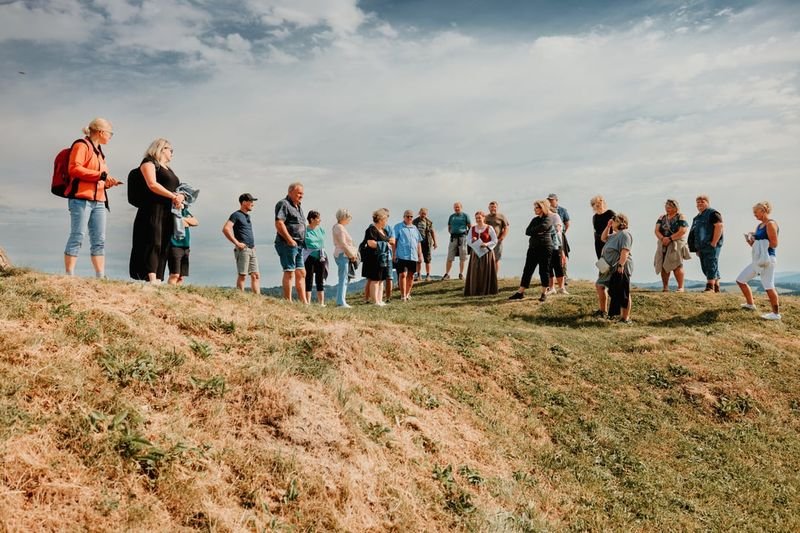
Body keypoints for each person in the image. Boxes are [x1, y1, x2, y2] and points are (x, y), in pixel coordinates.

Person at [63, 117, 122, 278]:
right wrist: (101, 175)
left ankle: (100, 276)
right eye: (110, 133)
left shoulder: (100, 152)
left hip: (100, 201)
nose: (110, 136)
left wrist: (107, 183)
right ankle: (69, 275)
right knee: (78, 235)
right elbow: (74, 169)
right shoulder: (81, 145)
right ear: (101, 132)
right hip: (81, 199)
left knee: (99, 239)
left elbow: (98, 177)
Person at [129, 138, 185, 283]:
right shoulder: (149, 163)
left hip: (168, 211)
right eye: (170, 150)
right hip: (152, 209)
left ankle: (158, 278)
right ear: (162, 148)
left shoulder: (169, 169)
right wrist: (173, 196)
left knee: (164, 244)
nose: (172, 153)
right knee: (153, 241)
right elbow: (152, 184)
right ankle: (151, 277)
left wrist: (180, 197)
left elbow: (175, 188)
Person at [736, 202, 781, 320]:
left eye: (756, 212)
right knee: (741, 280)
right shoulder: (759, 226)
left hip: (768, 259)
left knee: (768, 285)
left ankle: (776, 314)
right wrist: (750, 241)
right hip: (759, 259)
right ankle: (750, 304)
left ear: (763, 211)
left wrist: (758, 242)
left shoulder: (771, 224)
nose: (754, 214)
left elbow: (774, 244)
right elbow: (756, 247)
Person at [508, 200, 553, 302]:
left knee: (544, 270)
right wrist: (538, 232)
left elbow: (544, 227)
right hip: (533, 247)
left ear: (542, 208)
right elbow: (527, 231)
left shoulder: (548, 218)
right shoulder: (535, 219)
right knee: (528, 270)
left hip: (545, 248)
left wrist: (535, 231)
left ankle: (544, 293)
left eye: (536, 207)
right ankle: (520, 293)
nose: (534, 209)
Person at [595, 213, 634, 322]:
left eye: (615, 221)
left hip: (619, 266)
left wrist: (621, 265)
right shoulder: (613, 235)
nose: (613, 222)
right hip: (607, 267)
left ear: (622, 223)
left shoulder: (625, 234)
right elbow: (603, 238)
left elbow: (625, 251)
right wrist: (608, 226)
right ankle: (603, 311)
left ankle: (625, 318)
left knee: (623, 291)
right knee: (600, 285)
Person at [275, 182, 308, 303]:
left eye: (302, 193)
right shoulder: (284, 204)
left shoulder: (298, 206)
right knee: (289, 272)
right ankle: (288, 301)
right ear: (290, 192)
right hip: (287, 243)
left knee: (301, 272)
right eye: (298, 193)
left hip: (299, 244)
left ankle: (304, 302)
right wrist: (289, 239)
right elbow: (279, 223)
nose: (301, 196)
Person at [222, 193, 260, 293]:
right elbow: (226, 229)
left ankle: (257, 299)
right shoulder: (236, 215)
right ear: (244, 202)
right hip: (243, 249)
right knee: (242, 275)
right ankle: (240, 297)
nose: (252, 204)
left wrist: (253, 246)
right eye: (250, 201)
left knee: (255, 275)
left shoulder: (247, 216)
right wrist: (237, 243)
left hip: (251, 249)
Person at [653, 199, 690, 292]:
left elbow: (683, 230)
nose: (667, 208)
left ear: (675, 208)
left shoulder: (681, 216)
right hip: (663, 243)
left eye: (669, 206)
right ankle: (665, 287)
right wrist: (663, 239)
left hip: (676, 243)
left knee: (677, 265)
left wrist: (670, 238)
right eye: (666, 206)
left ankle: (680, 287)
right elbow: (656, 230)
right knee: (663, 265)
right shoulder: (662, 217)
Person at [689, 195, 724, 292]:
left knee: (711, 263)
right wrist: (696, 248)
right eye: (698, 202)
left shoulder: (713, 213)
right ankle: (716, 286)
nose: (699, 204)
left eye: (702, 201)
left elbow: (719, 226)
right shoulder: (697, 218)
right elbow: (694, 233)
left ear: (707, 203)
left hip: (711, 244)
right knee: (706, 265)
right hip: (701, 246)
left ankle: (710, 287)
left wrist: (714, 242)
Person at [360, 208, 392, 306]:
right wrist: (385, 245)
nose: (386, 221)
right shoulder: (371, 229)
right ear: (380, 219)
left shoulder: (384, 231)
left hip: (383, 259)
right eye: (385, 219)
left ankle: (380, 300)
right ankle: (375, 301)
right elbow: (370, 243)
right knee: (375, 280)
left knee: (381, 280)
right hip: (373, 259)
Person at [464, 211, 498, 296]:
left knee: (486, 271)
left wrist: (486, 244)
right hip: (475, 253)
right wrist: (472, 240)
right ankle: (475, 290)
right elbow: (468, 240)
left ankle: (487, 290)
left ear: (484, 218)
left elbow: (495, 240)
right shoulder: (472, 229)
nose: (478, 219)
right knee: (475, 272)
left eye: (479, 218)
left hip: (487, 253)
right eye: (476, 218)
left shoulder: (489, 228)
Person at [393, 210, 424, 301]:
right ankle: (402, 296)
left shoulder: (415, 228)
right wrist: (394, 254)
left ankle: (407, 294)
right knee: (402, 274)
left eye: (411, 216)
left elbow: (418, 242)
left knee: (411, 275)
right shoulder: (398, 227)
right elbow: (395, 241)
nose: (409, 218)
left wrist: (420, 255)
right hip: (401, 255)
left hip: (413, 255)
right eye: (407, 216)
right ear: (404, 217)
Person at [332, 208, 358, 308]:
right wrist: (351, 255)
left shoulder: (338, 227)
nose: (349, 220)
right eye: (349, 217)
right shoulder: (340, 228)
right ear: (344, 217)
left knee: (344, 278)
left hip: (342, 254)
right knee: (343, 278)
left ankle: (341, 301)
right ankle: (341, 302)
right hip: (343, 255)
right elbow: (343, 244)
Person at [167, 206, 198, 285]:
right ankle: (170, 290)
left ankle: (177, 291)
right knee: (175, 274)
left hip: (186, 246)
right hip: (175, 245)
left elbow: (195, 222)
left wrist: (182, 220)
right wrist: (186, 221)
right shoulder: (171, 211)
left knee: (181, 276)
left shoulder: (184, 211)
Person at [303, 210, 327, 306]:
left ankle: (321, 303)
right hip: (309, 257)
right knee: (308, 279)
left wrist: (317, 246)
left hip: (320, 256)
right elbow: (308, 242)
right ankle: (307, 302)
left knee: (320, 279)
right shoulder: (305, 230)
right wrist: (315, 245)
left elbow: (322, 242)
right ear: (312, 219)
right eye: (318, 218)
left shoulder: (320, 229)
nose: (320, 220)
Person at [443, 202, 472, 280]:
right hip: (453, 238)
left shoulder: (465, 216)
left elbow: (470, 227)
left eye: (458, 207)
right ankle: (447, 274)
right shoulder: (451, 216)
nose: (456, 208)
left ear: (461, 207)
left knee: (463, 257)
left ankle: (461, 274)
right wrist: (452, 233)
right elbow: (449, 227)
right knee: (450, 256)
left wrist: (467, 236)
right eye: (455, 207)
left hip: (463, 238)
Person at [547, 193, 570, 280]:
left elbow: (567, 223)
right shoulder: (546, 209)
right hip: (549, 236)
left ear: (556, 200)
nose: (550, 201)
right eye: (549, 200)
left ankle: (564, 276)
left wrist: (561, 233)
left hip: (560, 235)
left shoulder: (562, 210)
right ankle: (551, 278)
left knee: (562, 255)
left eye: (552, 200)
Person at [546, 206, 567, 294]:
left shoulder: (555, 216)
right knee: (549, 267)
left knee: (558, 266)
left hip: (556, 245)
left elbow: (558, 229)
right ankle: (552, 288)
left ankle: (562, 288)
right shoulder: (543, 217)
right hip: (546, 245)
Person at [485, 201, 510, 273]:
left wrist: (502, 238)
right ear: (489, 208)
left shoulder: (501, 216)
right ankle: (487, 276)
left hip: (498, 241)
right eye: (491, 207)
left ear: (497, 208)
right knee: (487, 259)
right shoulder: (486, 217)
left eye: (495, 207)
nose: (493, 208)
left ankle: (494, 276)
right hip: (487, 241)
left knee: (496, 259)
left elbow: (506, 227)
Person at [413, 208, 437, 281]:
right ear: (419, 213)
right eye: (422, 213)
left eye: (425, 214)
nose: (423, 215)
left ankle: (428, 275)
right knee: (418, 259)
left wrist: (435, 242)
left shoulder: (429, 222)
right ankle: (418, 275)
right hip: (417, 242)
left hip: (427, 242)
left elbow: (432, 232)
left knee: (427, 259)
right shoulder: (414, 221)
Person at [590, 195, 615, 259]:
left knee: (611, 260)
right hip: (599, 243)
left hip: (609, 241)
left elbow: (617, 226)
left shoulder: (610, 213)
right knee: (602, 262)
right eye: (594, 204)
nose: (597, 205)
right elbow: (595, 231)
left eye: (599, 202)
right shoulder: (594, 217)